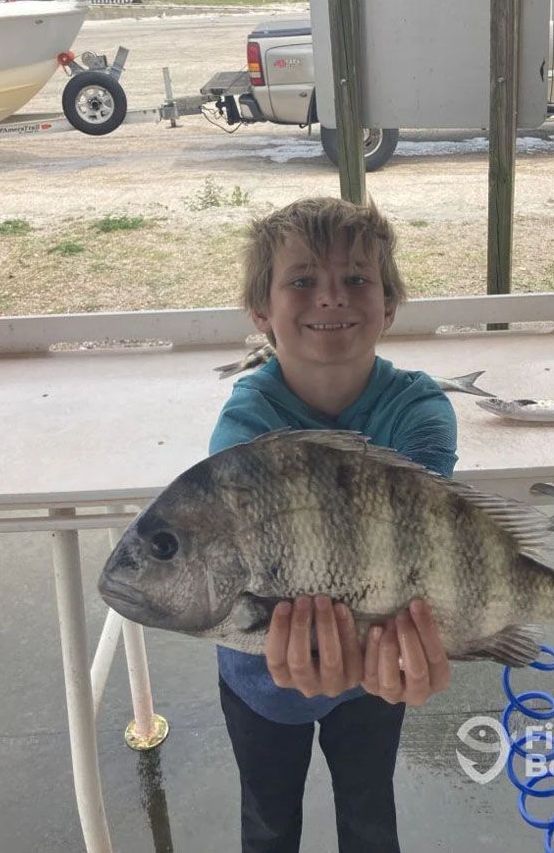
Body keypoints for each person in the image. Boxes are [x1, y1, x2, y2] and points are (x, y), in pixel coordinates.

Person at [209, 196, 458, 853]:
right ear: (260, 312)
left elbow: (429, 548)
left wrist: (424, 647)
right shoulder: (242, 432)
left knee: (370, 812)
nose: (329, 298)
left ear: (388, 306)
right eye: (301, 281)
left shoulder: (421, 412)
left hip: (376, 670)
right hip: (262, 680)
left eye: (354, 279)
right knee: (267, 821)